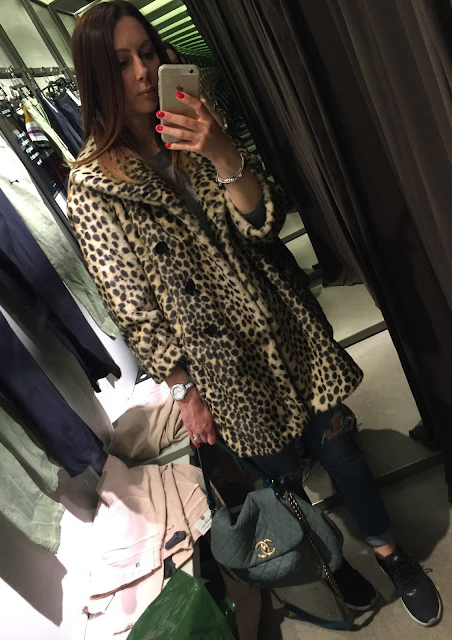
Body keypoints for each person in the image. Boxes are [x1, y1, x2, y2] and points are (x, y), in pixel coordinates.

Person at [68, 0, 442, 634]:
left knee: (342, 448)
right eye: (121, 62)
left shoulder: (196, 126)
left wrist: (220, 150)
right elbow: (135, 312)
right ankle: (328, 562)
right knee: (281, 476)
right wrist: (185, 392)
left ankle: (390, 553)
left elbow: (266, 222)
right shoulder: (93, 188)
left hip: (285, 326)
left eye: (147, 53)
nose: (141, 71)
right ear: (96, 77)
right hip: (224, 366)